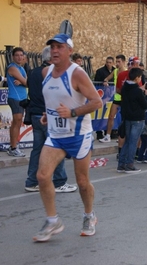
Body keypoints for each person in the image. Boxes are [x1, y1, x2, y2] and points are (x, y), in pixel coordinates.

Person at [32, 33, 103, 242]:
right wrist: (49, 114)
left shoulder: (77, 74)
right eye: (52, 47)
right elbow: (53, 100)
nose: (54, 51)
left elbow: (97, 102)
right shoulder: (45, 72)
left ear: (69, 51)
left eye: (59, 47)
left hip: (78, 135)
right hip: (55, 135)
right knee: (43, 176)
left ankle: (89, 215)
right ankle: (53, 221)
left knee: (82, 182)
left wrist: (72, 113)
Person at [24, 46, 77, 193]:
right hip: (48, 115)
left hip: (35, 113)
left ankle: (32, 181)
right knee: (57, 148)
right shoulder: (50, 73)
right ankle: (59, 181)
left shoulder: (33, 72)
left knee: (37, 149)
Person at [117, 67, 147, 173]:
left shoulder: (125, 88)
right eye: (140, 77)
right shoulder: (137, 91)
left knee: (127, 141)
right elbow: (144, 105)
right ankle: (130, 164)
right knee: (133, 142)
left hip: (127, 118)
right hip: (137, 119)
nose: (140, 79)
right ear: (137, 78)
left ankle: (121, 164)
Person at [99, 54, 127, 143]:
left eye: (119, 62)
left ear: (123, 62)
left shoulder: (127, 72)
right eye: (117, 62)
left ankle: (123, 137)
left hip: (125, 98)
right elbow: (106, 78)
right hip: (116, 97)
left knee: (124, 119)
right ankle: (107, 136)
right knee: (111, 116)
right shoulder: (115, 71)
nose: (117, 64)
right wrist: (105, 82)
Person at [6, 47, 28, 157]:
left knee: (17, 122)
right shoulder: (12, 68)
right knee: (17, 121)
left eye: (21, 55)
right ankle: (13, 147)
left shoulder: (22, 68)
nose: (19, 57)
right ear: (13, 57)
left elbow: (26, 82)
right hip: (15, 98)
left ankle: (13, 145)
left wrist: (24, 82)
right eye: (17, 55)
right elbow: (27, 82)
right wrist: (23, 82)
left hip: (22, 97)